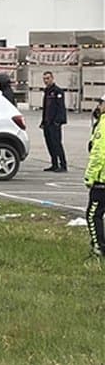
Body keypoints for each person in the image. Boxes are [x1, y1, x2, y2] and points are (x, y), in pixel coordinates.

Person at [84, 107, 105, 257]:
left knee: (93, 214)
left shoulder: (103, 125)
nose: (98, 107)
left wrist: (90, 176)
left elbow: (98, 153)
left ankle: (98, 247)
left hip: (102, 180)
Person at [40, 71, 68, 172]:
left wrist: (58, 121)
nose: (46, 81)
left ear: (52, 78)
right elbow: (45, 108)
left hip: (55, 123)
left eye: (48, 78)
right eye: (44, 79)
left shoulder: (58, 91)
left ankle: (63, 164)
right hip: (47, 123)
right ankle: (54, 164)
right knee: (49, 144)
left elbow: (61, 108)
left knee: (57, 144)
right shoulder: (47, 91)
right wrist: (43, 122)